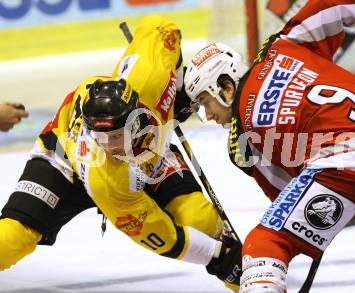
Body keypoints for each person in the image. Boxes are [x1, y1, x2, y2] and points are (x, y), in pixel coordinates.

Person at [184, 0, 355, 292]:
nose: (210, 116)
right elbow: (333, 4)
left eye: (205, 103)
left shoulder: (242, 142)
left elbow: (285, 196)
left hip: (344, 168)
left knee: (266, 243)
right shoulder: (281, 46)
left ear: (226, 87)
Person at [0, 15, 241, 291]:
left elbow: (160, 26)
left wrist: (176, 85)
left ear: (135, 116)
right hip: (62, 160)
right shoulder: (107, 176)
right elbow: (162, 235)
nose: (113, 147)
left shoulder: (150, 74)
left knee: (202, 222)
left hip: (150, 153)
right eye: (103, 140)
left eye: (118, 136)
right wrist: (216, 256)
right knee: (11, 239)